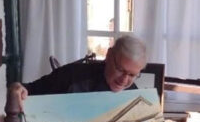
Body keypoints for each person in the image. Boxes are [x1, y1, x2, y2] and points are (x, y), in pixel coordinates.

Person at [8, 34, 147, 108]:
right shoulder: (72, 76)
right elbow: (29, 90)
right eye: (120, 69)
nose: (124, 80)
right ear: (109, 55)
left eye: (132, 75)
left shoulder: (134, 95)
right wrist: (17, 88)